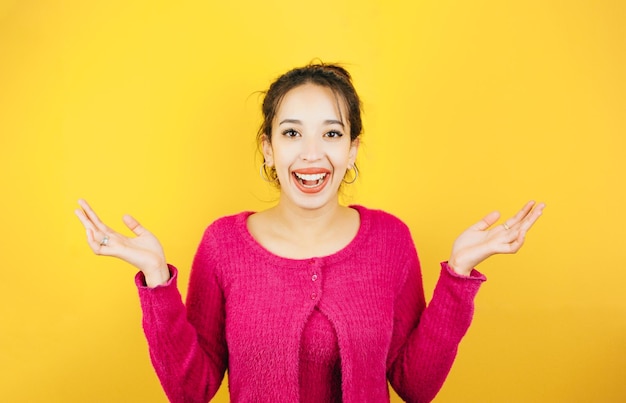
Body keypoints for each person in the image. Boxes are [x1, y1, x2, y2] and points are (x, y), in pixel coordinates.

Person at [75, 63, 545, 403]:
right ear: (268, 147)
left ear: (353, 149)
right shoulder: (222, 246)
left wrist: (458, 276)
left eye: (332, 134)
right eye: (293, 133)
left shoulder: (390, 240)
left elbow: (415, 387)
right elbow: (190, 391)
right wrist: (157, 280)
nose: (312, 154)